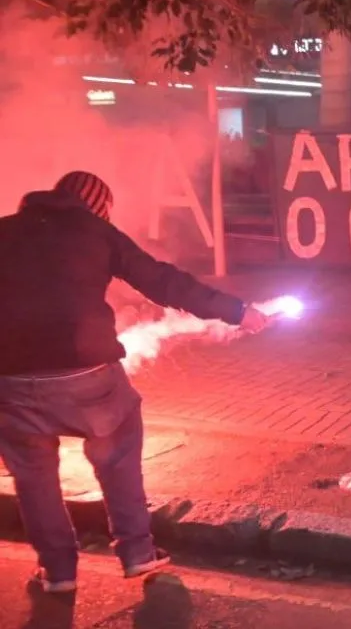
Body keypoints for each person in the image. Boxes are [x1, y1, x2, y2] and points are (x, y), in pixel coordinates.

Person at [0, 171, 269, 593]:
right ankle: (137, 552)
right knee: (118, 448)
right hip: (86, 373)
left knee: (34, 477)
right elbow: (163, 282)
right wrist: (238, 311)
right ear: (97, 208)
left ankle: (59, 573)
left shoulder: (5, 231)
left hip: (11, 379)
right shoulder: (97, 232)